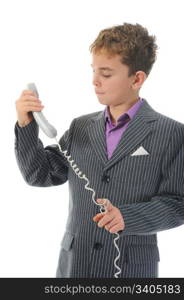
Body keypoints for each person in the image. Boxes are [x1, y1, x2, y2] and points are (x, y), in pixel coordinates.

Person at [14, 22, 184, 278]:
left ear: (137, 78)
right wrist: (26, 123)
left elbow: (177, 204)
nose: (94, 81)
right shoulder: (80, 127)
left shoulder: (171, 133)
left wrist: (127, 217)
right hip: (75, 265)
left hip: (130, 270)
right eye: (94, 71)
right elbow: (39, 174)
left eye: (105, 74)